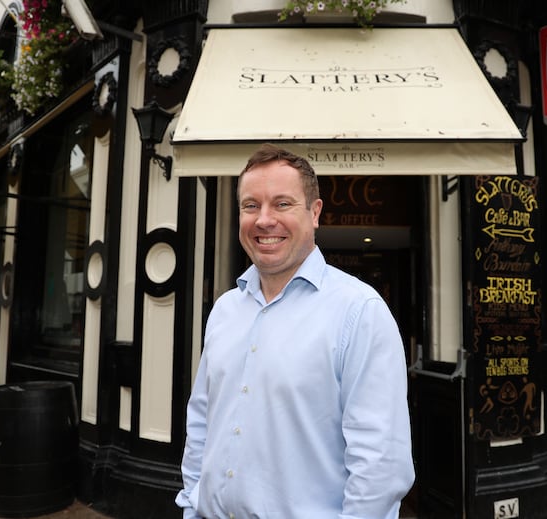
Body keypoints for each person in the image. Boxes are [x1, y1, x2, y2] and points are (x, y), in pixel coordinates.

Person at [176, 144, 414, 518]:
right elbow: (202, 422)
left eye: (282, 204)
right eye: (250, 205)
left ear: (314, 212)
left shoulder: (359, 312)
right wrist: (192, 504)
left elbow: (380, 465)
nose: (264, 220)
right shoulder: (224, 310)